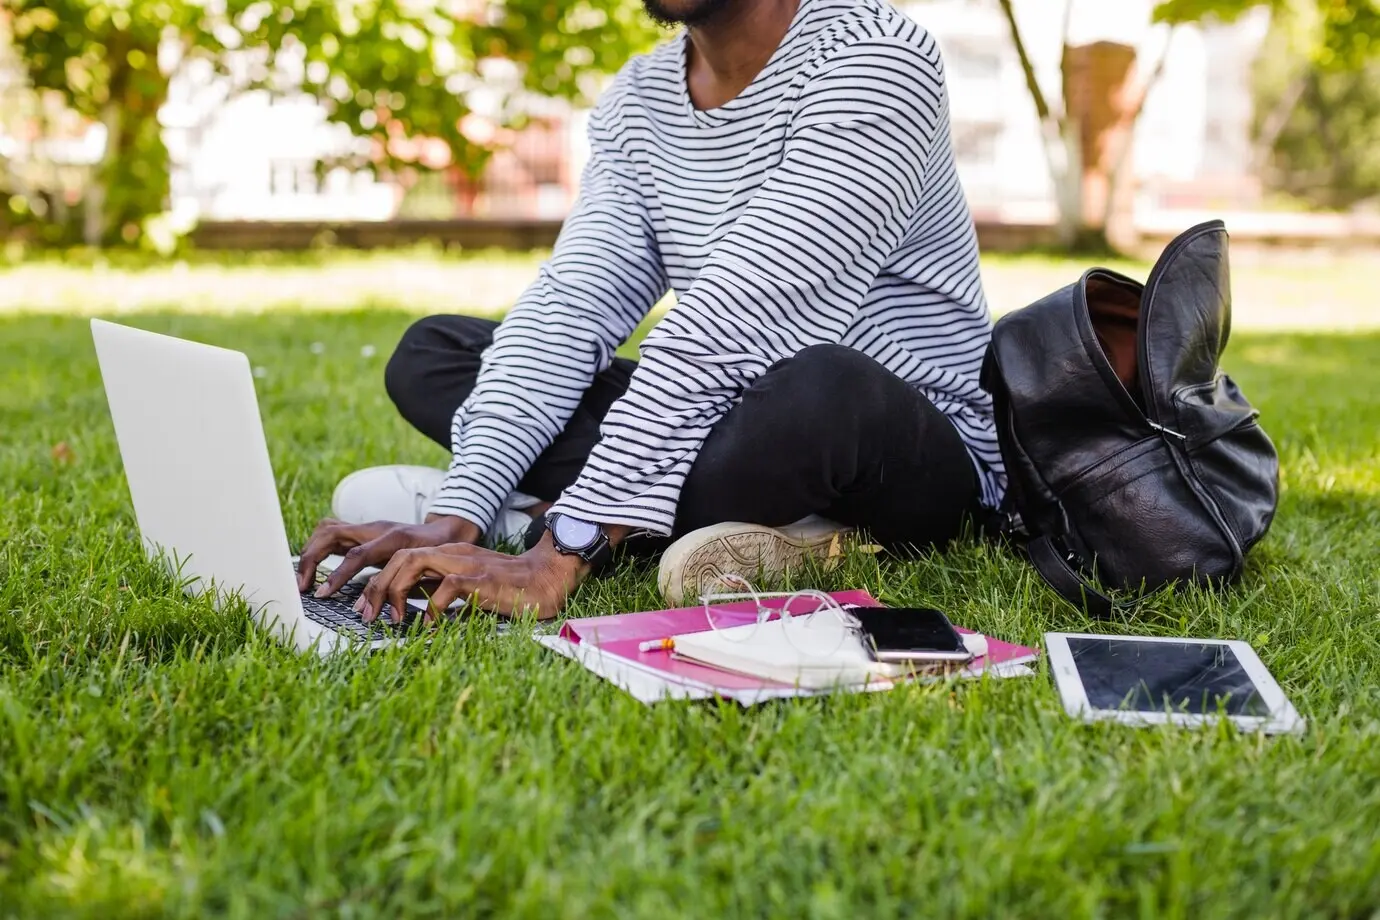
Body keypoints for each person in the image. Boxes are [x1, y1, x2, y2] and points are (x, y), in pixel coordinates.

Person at [295, 0, 1006, 624]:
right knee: (437, 354)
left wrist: (559, 553)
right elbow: (572, 305)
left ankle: (573, 516)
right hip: (731, 409)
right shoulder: (640, 100)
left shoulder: (876, 59)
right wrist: (460, 509)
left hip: (898, 442)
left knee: (824, 388)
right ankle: (706, 523)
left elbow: (739, 316)